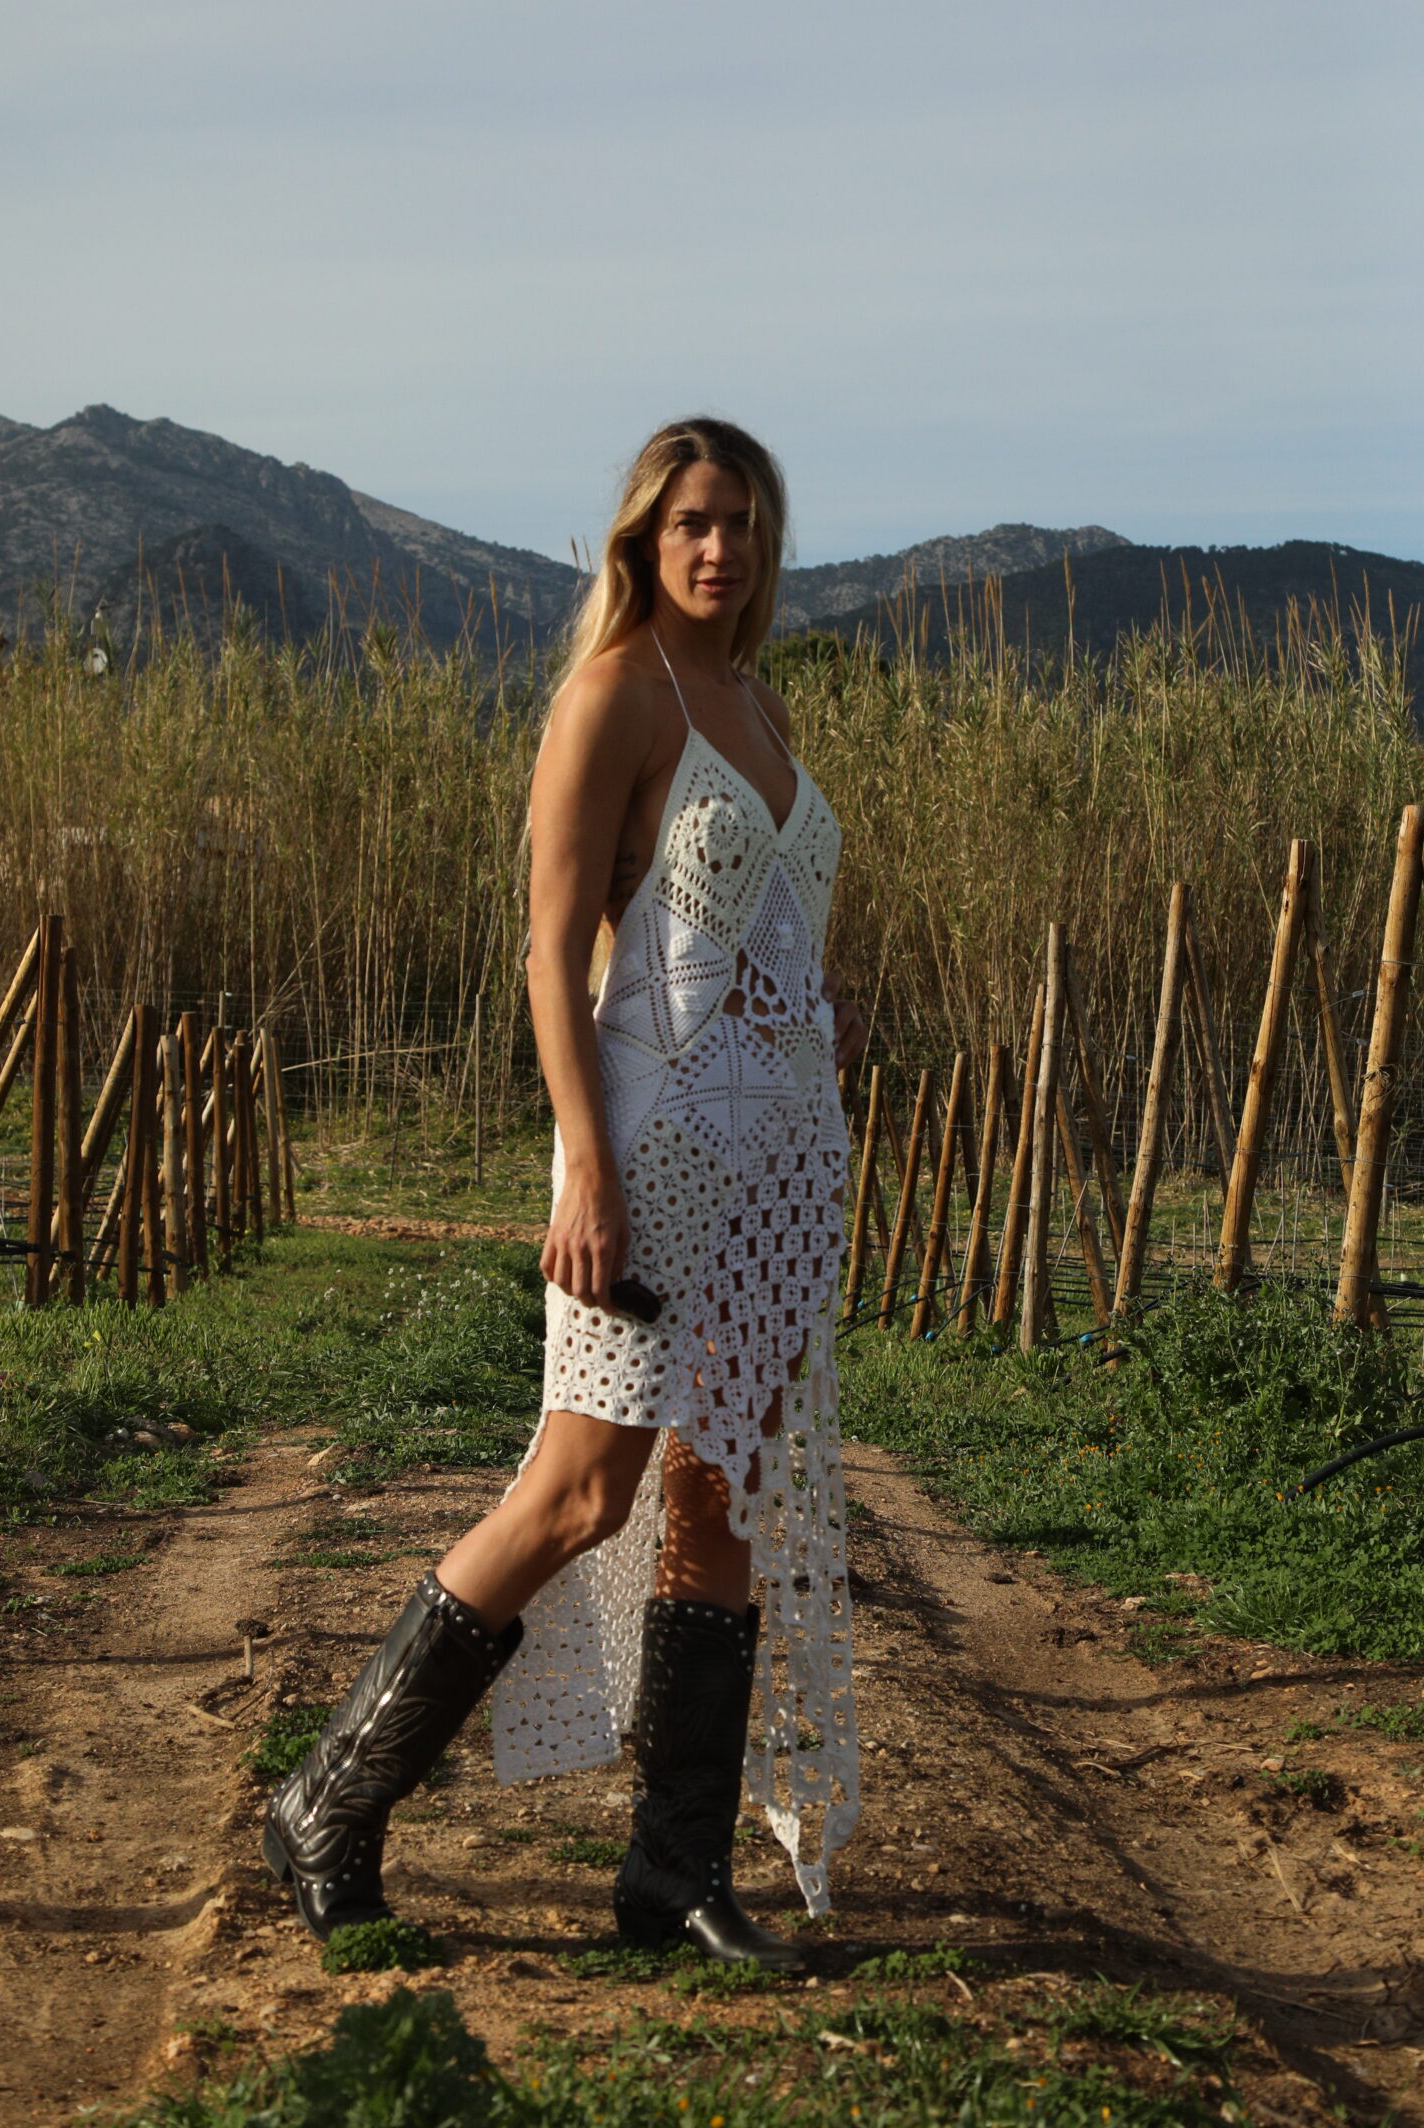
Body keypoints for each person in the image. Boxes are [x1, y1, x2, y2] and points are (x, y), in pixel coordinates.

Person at [263, 417, 868, 1969]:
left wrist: (815, 1043)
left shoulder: (760, 700)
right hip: (648, 1155)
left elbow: (761, 937)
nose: (718, 547)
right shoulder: (615, 694)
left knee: (720, 1495)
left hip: (780, 1171)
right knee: (581, 1492)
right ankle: (329, 1796)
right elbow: (549, 953)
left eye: (740, 521)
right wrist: (586, 1163)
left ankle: (675, 1874)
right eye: (690, 523)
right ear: (642, 541)